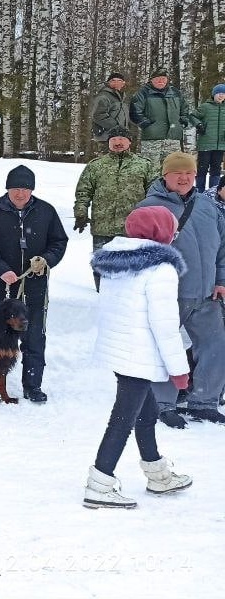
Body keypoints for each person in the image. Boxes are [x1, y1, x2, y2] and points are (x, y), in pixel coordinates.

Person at [84, 205, 193, 509]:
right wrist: (178, 369)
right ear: (161, 232)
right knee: (122, 420)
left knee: (147, 413)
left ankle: (157, 474)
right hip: (139, 354)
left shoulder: (116, 263)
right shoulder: (160, 269)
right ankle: (100, 483)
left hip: (121, 350)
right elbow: (165, 324)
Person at [136, 152, 225, 427]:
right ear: (165, 176)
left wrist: (220, 279)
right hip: (169, 295)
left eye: (189, 173)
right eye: (178, 173)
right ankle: (163, 404)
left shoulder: (208, 207)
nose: (184, 178)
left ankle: (203, 401)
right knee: (165, 348)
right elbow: (139, 254)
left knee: (215, 346)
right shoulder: (149, 208)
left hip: (206, 293)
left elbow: (222, 247)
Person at [0, 165, 68, 404]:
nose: (20, 194)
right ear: (8, 189)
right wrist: (1, 270)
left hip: (34, 287)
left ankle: (33, 385)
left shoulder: (46, 211)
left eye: (25, 189)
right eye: (16, 188)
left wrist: (46, 260)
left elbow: (59, 241)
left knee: (34, 336)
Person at [73, 127, 160, 290]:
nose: (117, 143)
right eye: (113, 139)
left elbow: (154, 195)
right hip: (102, 227)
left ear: (130, 142)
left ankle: (127, 296)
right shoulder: (96, 166)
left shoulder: (144, 165)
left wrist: (152, 221)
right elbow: (83, 191)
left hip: (133, 229)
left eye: (121, 139)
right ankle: (102, 293)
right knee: (101, 264)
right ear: (108, 143)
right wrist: (80, 213)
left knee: (131, 266)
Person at [131, 68, 193, 165]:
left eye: (163, 78)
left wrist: (182, 120)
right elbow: (135, 111)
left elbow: (184, 108)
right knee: (151, 170)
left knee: (172, 168)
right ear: (151, 80)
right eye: (158, 78)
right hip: (152, 140)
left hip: (173, 138)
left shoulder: (175, 92)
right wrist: (146, 124)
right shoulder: (143, 93)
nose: (161, 81)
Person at [192, 84, 225, 192]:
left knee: (216, 169)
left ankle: (214, 191)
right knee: (202, 169)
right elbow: (192, 116)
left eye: (223, 94)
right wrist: (199, 125)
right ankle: (199, 192)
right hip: (205, 143)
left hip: (220, 144)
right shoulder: (206, 107)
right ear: (214, 94)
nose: (221, 96)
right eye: (219, 93)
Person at [89, 72, 129, 141]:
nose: (116, 82)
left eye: (119, 80)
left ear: (123, 83)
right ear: (108, 83)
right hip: (105, 137)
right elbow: (98, 115)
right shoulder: (103, 96)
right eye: (113, 80)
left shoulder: (123, 99)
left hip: (121, 137)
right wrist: (116, 127)